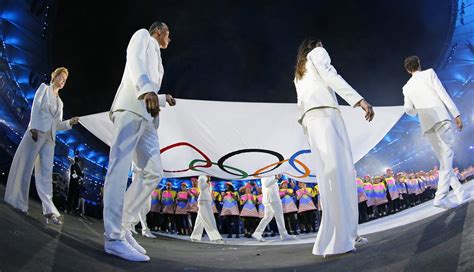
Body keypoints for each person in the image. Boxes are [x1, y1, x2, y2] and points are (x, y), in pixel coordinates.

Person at [102, 21, 176, 262]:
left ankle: (124, 225)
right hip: (132, 107)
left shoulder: (159, 58)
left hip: (148, 115)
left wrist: (161, 98)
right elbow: (134, 60)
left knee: (154, 171)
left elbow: (151, 82)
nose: (169, 39)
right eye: (168, 34)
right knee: (119, 167)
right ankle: (113, 237)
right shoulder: (143, 35)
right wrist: (146, 90)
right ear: (158, 31)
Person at [293, 37, 373, 256]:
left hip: (311, 121)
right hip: (326, 115)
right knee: (343, 172)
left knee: (329, 177)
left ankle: (342, 234)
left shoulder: (299, 74)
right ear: (314, 46)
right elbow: (331, 76)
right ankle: (341, 238)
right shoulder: (317, 54)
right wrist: (359, 100)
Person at [4, 67, 79, 225]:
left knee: (45, 173)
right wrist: (32, 127)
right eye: (61, 77)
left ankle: (50, 211)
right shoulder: (43, 89)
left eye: (65, 80)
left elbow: (57, 125)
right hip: (36, 132)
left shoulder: (60, 102)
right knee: (26, 166)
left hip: (50, 139)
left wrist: (69, 123)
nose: (63, 81)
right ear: (54, 76)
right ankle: (18, 201)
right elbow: (36, 107)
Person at [402, 56, 470, 209]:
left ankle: (460, 192)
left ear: (407, 70)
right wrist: (456, 114)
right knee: (447, 155)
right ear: (419, 63)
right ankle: (441, 196)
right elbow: (442, 93)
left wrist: (419, 112)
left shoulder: (406, 87)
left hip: (426, 124)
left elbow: (408, 110)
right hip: (440, 117)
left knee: (444, 159)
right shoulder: (429, 73)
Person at [252, 174, 292, 242]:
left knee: (268, 217)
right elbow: (266, 184)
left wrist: (275, 178)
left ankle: (257, 233)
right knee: (279, 216)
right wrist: (276, 178)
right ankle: (284, 234)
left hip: (270, 198)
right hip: (272, 198)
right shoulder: (267, 173)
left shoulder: (269, 172)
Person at [190, 176, 224, 243]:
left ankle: (195, 236)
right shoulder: (201, 177)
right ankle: (215, 237)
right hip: (203, 200)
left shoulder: (209, 181)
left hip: (207, 200)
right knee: (208, 218)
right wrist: (207, 181)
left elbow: (209, 191)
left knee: (199, 220)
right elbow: (201, 188)